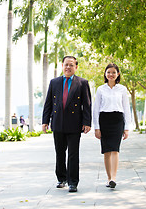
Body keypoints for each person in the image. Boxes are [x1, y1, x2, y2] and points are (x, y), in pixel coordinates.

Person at [42, 56, 92, 193]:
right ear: (62, 66)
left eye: (71, 65)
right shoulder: (54, 82)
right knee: (59, 153)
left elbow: (87, 105)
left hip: (75, 124)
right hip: (57, 123)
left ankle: (73, 182)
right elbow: (48, 104)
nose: (68, 67)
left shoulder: (82, 83)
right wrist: (45, 121)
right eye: (66, 64)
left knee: (73, 154)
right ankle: (61, 178)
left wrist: (87, 122)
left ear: (76, 67)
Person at [93, 63, 131, 189]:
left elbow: (126, 108)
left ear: (118, 74)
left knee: (115, 149)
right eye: (109, 72)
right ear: (105, 74)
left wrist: (126, 128)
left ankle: (114, 178)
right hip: (104, 120)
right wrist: (96, 127)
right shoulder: (100, 89)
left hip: (117, 120)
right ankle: (109, 178)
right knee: (106, 151)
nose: (111, 74)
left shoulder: (122, 89)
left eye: (113, 72)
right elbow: (96, 109)